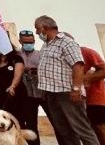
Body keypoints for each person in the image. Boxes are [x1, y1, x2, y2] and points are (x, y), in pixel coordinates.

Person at [34, 15, 100, 145]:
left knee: (81, 128)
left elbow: (78, 65)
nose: (37, 32)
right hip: (52, 94)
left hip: (67, 93)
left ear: (44, 28)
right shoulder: (46, 45)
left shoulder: (67, 43)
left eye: (37, 29)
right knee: (64, 130)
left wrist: (76, 88)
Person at [0, 37, 33, 143]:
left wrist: (13, 86)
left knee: (22, 122)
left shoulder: (16, 58)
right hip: (2, 96)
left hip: (16, 94)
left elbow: (18, 75)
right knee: (7, 124)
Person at [74, 38, 105, 145]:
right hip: (80, 98)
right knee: (88, 128)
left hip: (96, 96)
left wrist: (83, 79)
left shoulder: (87, 52)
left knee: (99, 126)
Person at [18, 30, 46, 145]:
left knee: (57, 121)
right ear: (20, 42)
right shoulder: (17, 56)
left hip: (42, 91)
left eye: (31, 42)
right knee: (31, 124)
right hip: (27, 93)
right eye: (25, 42)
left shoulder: (40, 54)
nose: (28, 45)